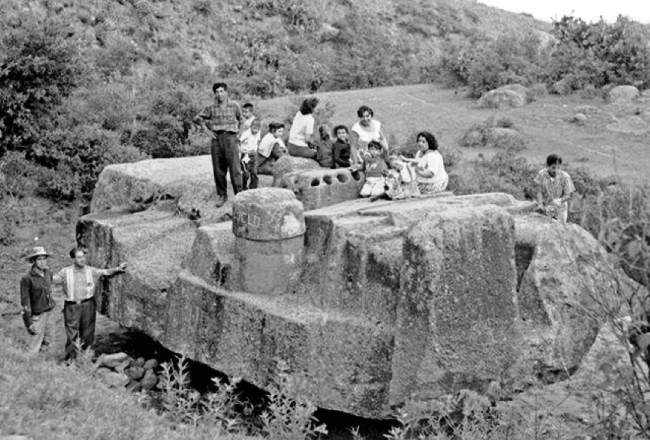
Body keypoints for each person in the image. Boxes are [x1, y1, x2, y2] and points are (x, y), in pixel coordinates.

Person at [53, 247, 128, 360]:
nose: (82, 259)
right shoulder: (65, 271)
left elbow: (105, 272)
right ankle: (70, 360)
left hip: (88, 304)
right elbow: (53, 279)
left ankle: (85, 357)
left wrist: (118, 268)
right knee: (72, 333)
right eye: (79, 257)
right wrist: (42, 273)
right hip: (72, 306)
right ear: (73, 259)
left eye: (83, 256)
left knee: (88, 332)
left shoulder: (90, 270)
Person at [195, 82, 242, 207]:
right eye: (217, 92)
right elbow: (198, 118)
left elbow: (241, 119)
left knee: (235, 168)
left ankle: (239, 195)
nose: (219, 94)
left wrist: (239, 134)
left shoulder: (234, 105)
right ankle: (222, 195)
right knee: (218, 168)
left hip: (231, 138)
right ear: (214, 94)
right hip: (216, 138)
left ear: (226, 92)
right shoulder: (210, 107)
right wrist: (207, 131)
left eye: (222, 91)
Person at [20, 246, 57, 355]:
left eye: (44, 259)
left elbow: (49, 291)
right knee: (33, 347)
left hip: (50, 313)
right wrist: (29, 322)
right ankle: (28, 367)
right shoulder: (27, 278)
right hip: (37, 316)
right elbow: (25, 302)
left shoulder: (47, 273)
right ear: (33, 261)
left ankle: (44, 367)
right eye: (39, 259)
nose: (42, 262)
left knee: (49, 342)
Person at [535, 154, 575, 222]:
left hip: (561, 209)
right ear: (548, 166)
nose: (556, 170)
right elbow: (539, 191)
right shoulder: (541, 174)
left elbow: (568, 195)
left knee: (559, 228)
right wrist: (540, 204)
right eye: (553, 168)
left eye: (558, 168)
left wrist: (559, 200)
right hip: (546, 207)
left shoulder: (565, 176)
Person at [239, 118, 262, 190]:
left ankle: (253, 188)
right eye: (254, 128)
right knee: (246, 173)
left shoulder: (258, 133)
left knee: (254, 172)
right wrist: (242, 150)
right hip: (246, 155)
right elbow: (238, 141)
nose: (256, 130)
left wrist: (256, 149)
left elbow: (257, 141)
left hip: (253, 154)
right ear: (251, 126)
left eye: (258, 129)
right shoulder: (246, 134)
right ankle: (243, 186)